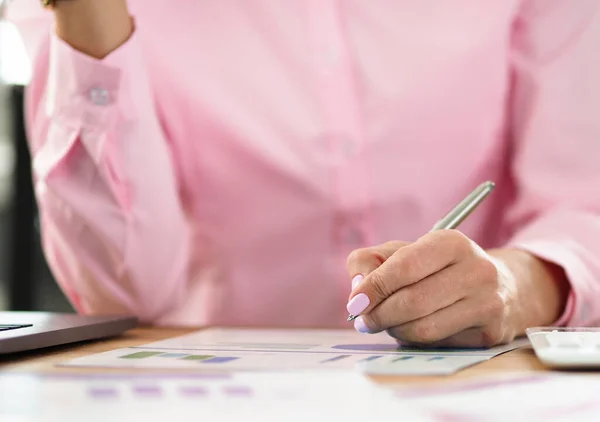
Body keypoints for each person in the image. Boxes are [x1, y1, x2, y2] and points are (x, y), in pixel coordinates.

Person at [6, 0, 600, 347]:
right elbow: (125, 292)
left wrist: (513, 285)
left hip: (481, 401)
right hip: (215, 415)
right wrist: (89, 16)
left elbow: (582, 203)